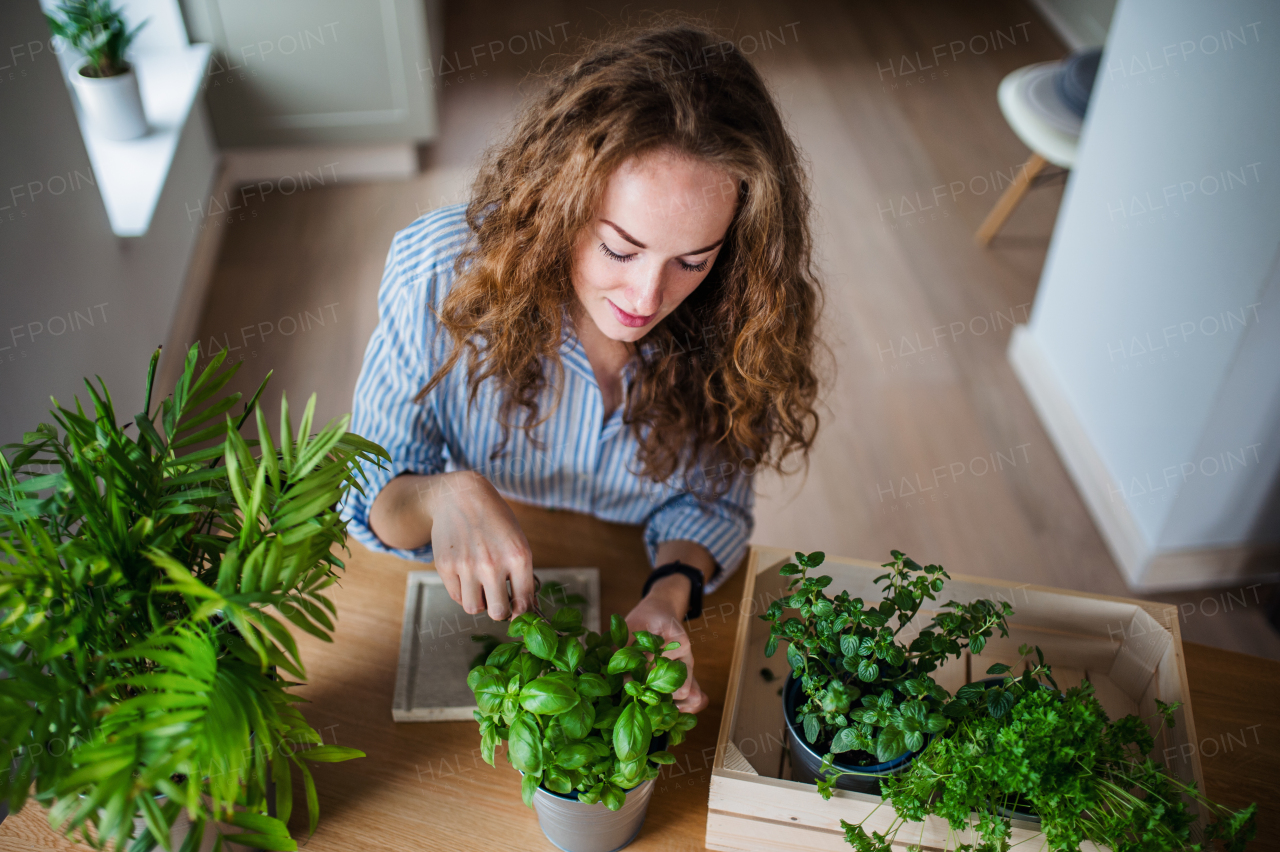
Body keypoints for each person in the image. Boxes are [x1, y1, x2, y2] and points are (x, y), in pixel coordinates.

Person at [342, 21, 821, 714]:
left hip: (629, 562)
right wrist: (442, 495)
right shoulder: (439, 270)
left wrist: (668, 593)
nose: (647, 299)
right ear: (560, 201)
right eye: (620, 250)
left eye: (692, 260)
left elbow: (711, 503)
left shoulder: (742, 308)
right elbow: (370, 496)